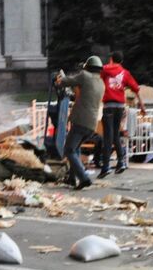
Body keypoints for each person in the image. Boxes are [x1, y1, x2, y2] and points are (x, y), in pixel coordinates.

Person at [55, 56, 105, 190]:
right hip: (92, 123)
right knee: (75, 148)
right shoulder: (101, 82)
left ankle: (84, 178)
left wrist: (59, 80)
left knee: (69, 150)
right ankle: (72, 178)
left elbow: (67, 81)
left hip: (81, 120)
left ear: (87, 67)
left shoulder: (84, 75)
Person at [98, 51, 141, 176]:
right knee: (116, 134)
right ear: (121, 61)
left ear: (111, 59)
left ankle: (105, 166)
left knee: (108, 137)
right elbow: (136, 88)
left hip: (109, 107)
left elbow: (98, 79)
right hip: (120, 107)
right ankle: (121, 162)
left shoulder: (104, 70)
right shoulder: (125, 73)